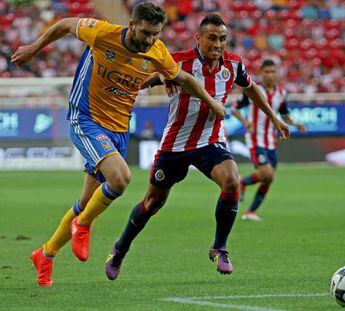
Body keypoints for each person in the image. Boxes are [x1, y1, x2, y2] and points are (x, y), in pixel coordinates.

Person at [11, 3, 225, 287]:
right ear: (132, 24)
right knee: (121, 178)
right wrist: (33, 48)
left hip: (118, 129)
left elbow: (183, 78)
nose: (150, 39)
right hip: (85, 118)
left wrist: (211, 102)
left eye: (156, 34)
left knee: (87, 202)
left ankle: (45, 255)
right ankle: (83, 224)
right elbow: (64, 24)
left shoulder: (157, 51)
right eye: (146, 32)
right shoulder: (101, 33)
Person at [104, 14, 290, 279]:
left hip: (210, 140)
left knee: (231, 181)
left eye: (222, 39)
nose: (218, 44)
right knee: (153, 202)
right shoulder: (179, 61)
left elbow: (252, 89)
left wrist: (274, 117)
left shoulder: (234, 65)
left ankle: (220, 247)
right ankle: (120, 249)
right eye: (212, 38)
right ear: (199, 38)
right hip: (175, 144)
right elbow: (152, 77)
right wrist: (130, 90)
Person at [232, 59, 306, 221]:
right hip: (255, 139)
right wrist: (245, 122)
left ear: (277, 73)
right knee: (267, 173)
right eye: (267, 72)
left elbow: (285, 116)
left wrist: (295, 124)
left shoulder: (281, 93)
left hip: (271, 141)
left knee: (268, 179)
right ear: (261, 73)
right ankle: (242, 181)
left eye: (273, 72)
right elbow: (234, 109)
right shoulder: (252, 90)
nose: (270, 75)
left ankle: (251, 211)